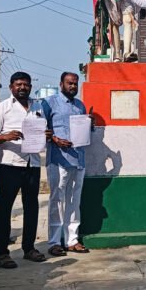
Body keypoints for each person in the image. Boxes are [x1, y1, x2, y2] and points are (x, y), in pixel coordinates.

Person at [0, 72, 47, 267]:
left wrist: (45, 134)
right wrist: (6, 136)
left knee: (31, 207)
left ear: (31, 87)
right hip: (10, 164)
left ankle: (29, 248)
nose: (22, 87)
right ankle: (1, 253)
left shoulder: (38, 106)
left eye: (26, 84)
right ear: (11, 87)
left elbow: (42, 129)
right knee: (4, 208)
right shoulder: (3, 107)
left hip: (32, 163)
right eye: (18, 84)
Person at [46, 72, 92, 256]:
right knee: (57, 200)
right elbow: (41, 128)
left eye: (75, 83)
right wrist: (56, 139)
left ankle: (72, 240)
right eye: (69, 83)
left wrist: (90, 124)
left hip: (78, 159)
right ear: (61, 84)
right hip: (58, 159)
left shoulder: (80, 105)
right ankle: (55, 241)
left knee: (74, 201)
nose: (73, 86)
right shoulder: (49, 103)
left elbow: (84, 131)